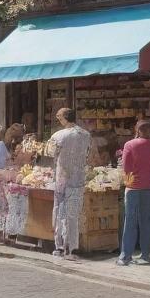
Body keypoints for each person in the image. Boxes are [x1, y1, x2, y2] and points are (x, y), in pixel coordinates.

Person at [117, 120, 150, 267]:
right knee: (146, 221)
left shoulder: (129, 145)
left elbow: (126, 168)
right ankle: (145, 254)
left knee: (130, 221)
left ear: (137, 130)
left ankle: (125, 256)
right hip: (148, 187)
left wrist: (128, 183)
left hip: (133, 187)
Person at [49, 108, 92, 260]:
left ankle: (60, 246)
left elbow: (50, 153)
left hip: (63, 180)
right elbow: (88, 154)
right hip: (78, 178)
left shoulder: (59, 135)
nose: (57, 119)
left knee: (61, 213)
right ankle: (73, 247)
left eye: (59, 117)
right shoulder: (86, 135)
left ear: (64, 119)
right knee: (73, 214)